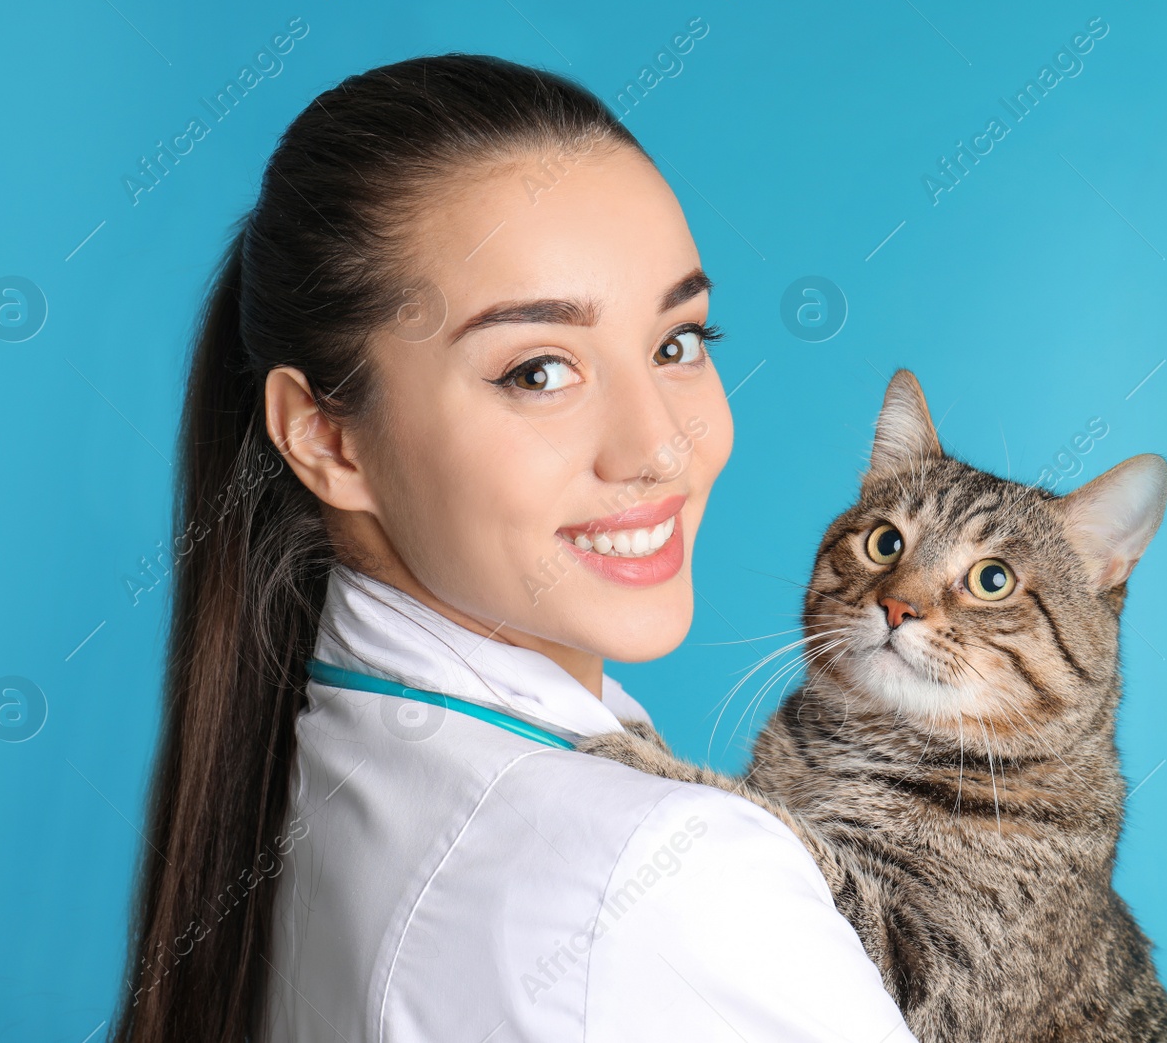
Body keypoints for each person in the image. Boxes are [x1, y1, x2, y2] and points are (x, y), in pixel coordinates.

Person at [112, 54, 918, 1043]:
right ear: (325, 436)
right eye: (539, 370)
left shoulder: (299, 766)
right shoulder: (671, 880)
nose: (658, 447)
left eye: (677, 341)